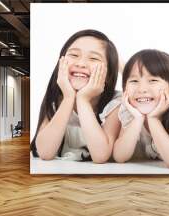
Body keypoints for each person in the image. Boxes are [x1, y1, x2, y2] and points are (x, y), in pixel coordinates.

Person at [31, 29, 121, 163]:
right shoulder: (57, 97)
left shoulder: (116, 102)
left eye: (93, 58)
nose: (80, 63)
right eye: (74, 55)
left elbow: (100, 156)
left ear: (109, 73)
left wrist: (83, 100)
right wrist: (68, 98)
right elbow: (45, 152)